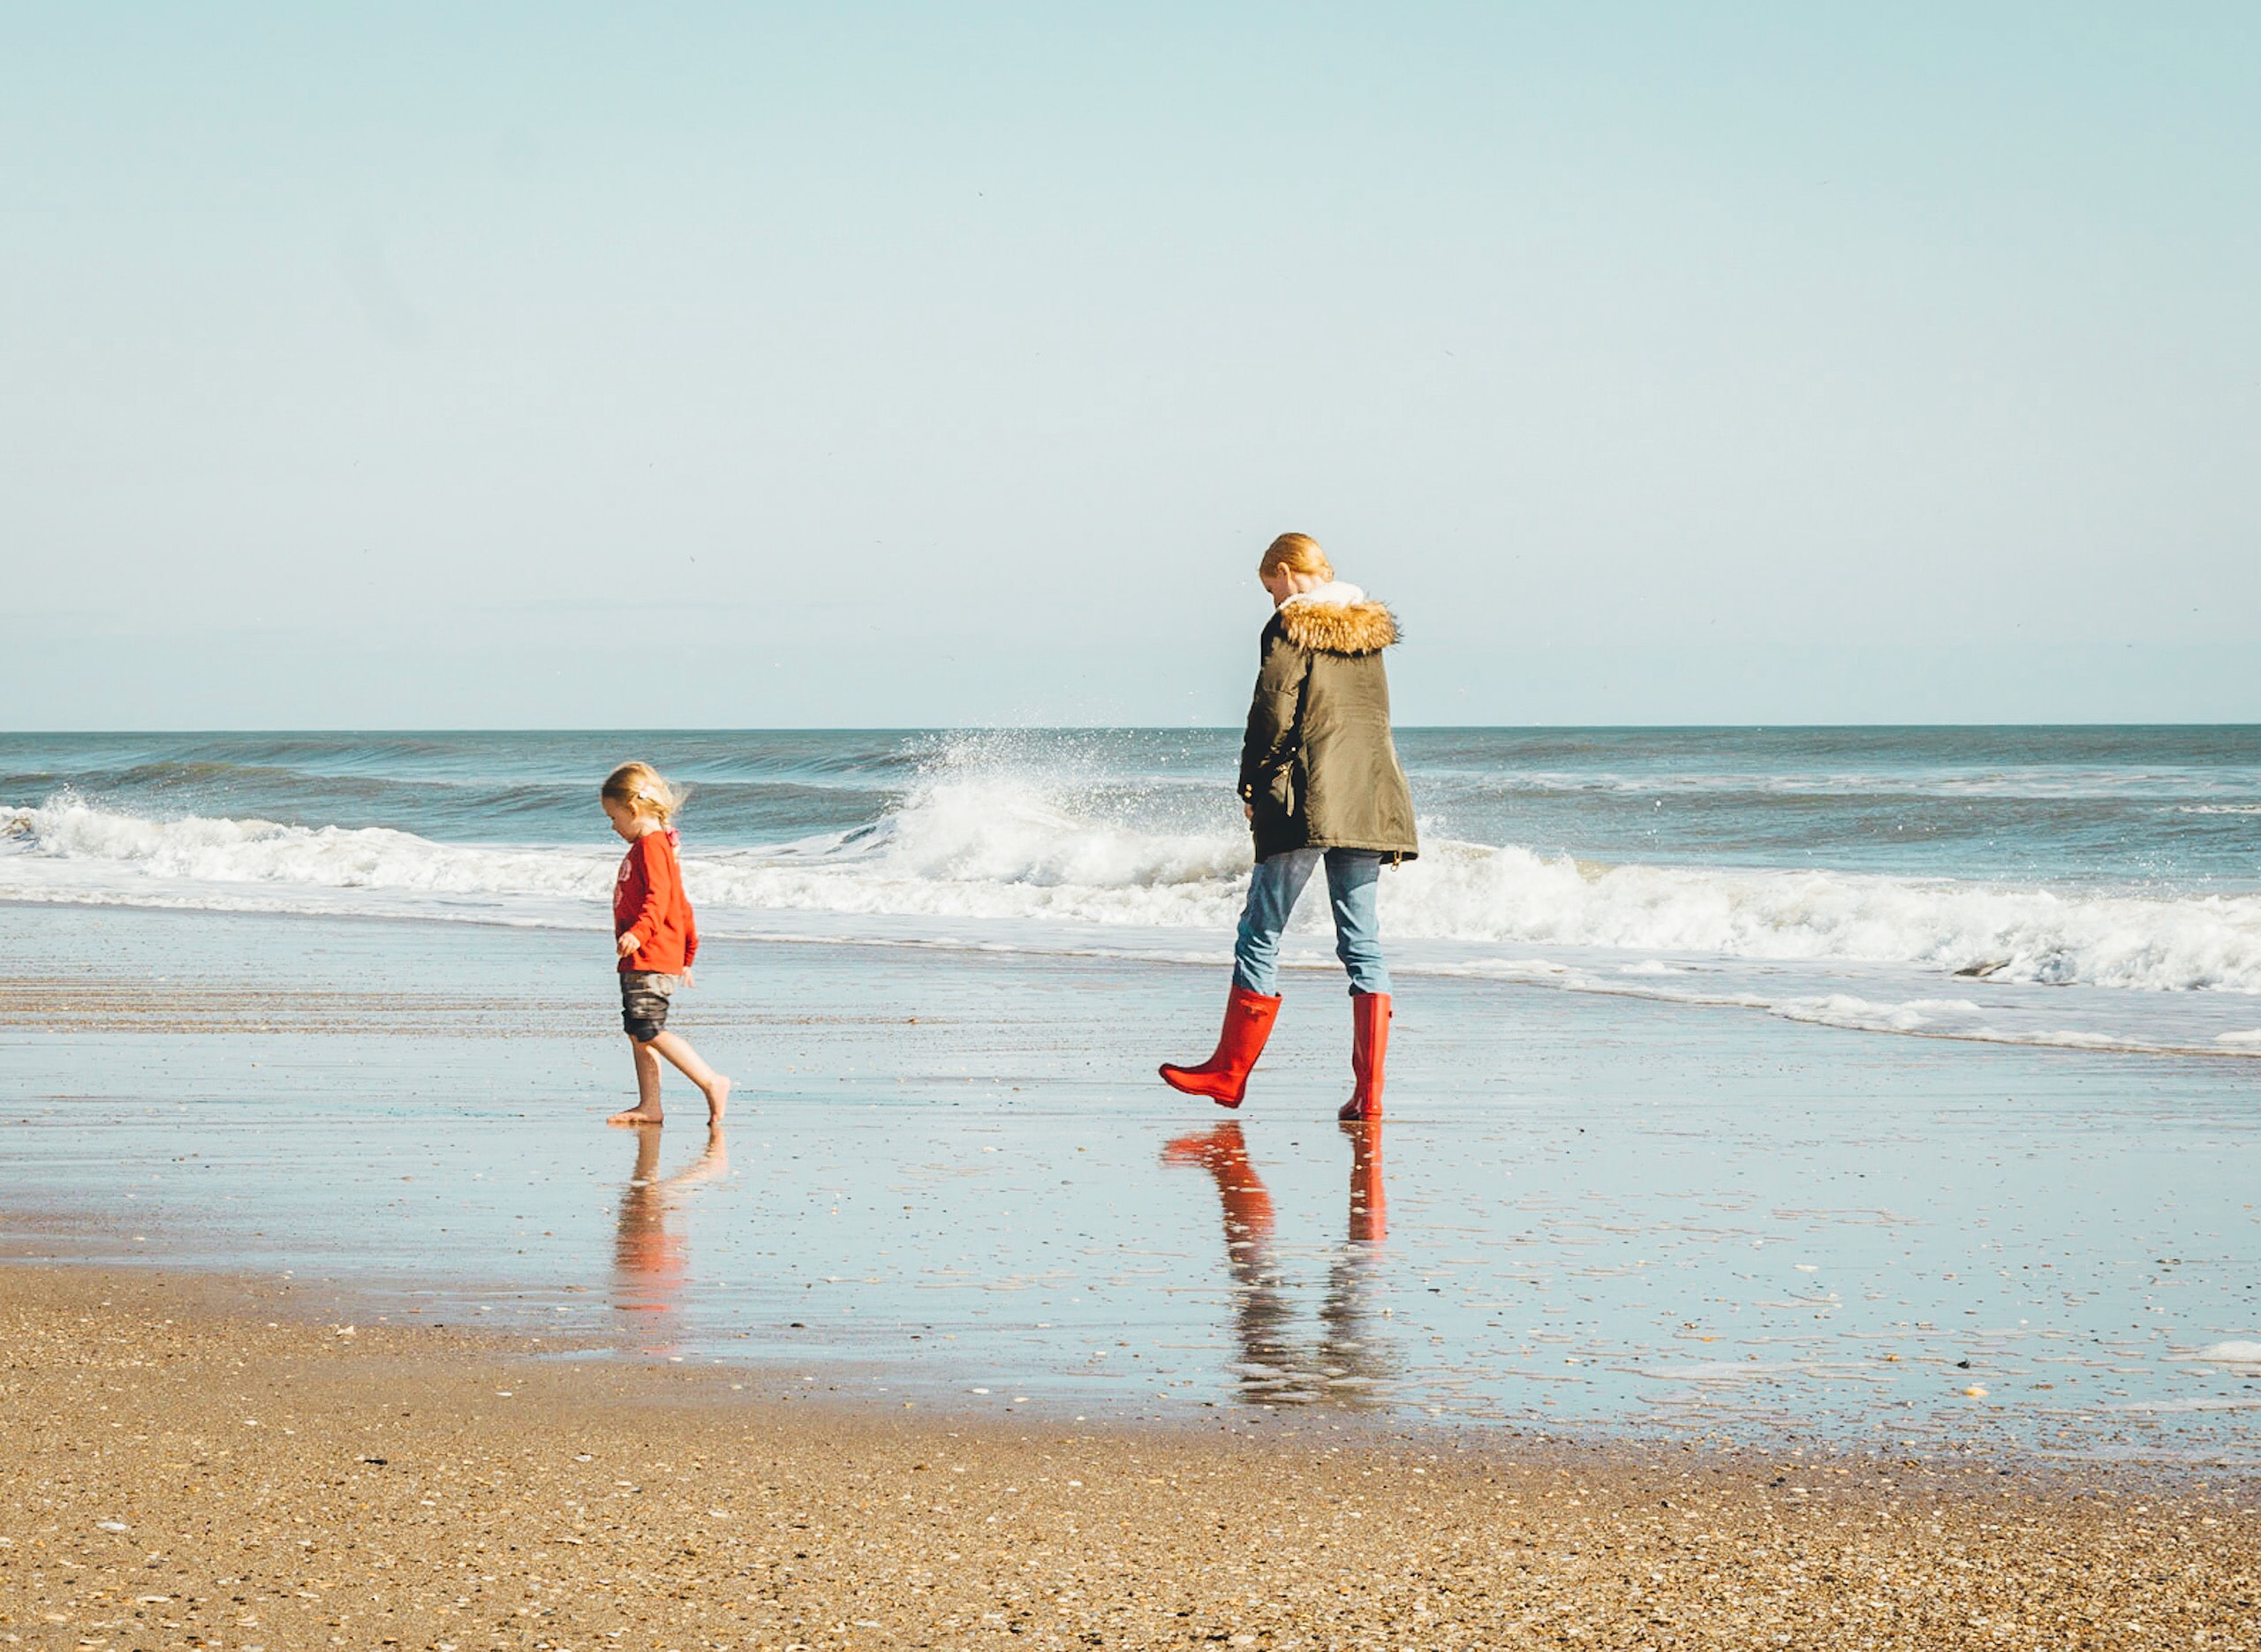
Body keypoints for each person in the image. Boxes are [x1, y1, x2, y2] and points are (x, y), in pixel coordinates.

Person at [1160, 532, 1417, 1120]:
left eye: (1269, 585)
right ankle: (1368, 1096)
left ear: (1284, 571)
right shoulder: (1367, 633)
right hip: (1370, 796)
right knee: (1362, 941)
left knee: (1261, 926)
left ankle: (1228, 1073)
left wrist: (1253, 785)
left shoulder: (1291, 624)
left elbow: (1273, 711)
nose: (1270, 598)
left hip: (1308, 796)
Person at [601, 762, 730, 1127]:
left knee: (648, 1029)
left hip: (650, 955)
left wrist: (638, 934)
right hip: (645, 957)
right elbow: (682, 905)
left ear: (633, 809)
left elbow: (658, 901)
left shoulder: (651, 847)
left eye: (613, 817)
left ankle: (711, 1080)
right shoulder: (658, 847)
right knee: (637, 1032)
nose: (613, 826)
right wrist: (688, 954)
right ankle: (650, 1105)